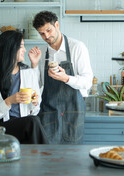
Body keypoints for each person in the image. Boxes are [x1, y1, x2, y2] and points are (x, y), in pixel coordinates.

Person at [30, 11, 93, 144]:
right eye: (42, 33)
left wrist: (66, 78)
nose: (46, 36)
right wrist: (34, 64)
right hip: (48, 112)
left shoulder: (77, 47)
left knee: (72, 156)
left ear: (57, 25)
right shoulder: (42, 53)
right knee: (48, 155)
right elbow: (36, 85)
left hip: (73, 112)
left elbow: (87, 82)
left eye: (49, 30)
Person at [0, 30, 48, 144]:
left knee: (33, 121)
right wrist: (9, 101)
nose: (25, 50)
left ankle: (44, 158)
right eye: (21, 46)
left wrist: (35, 103)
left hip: (23, 125)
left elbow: (35, 111)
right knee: (32, 122)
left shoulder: (29, 73)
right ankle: (48, 157)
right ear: (10, 48)